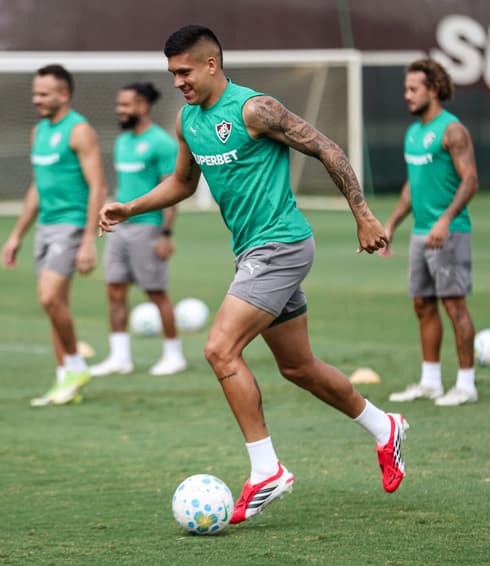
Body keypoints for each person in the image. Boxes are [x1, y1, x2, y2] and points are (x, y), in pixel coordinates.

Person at [99, 25, 409, 524]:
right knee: (298, 367)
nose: (178, 82)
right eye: (172, 73)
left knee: (219, 349)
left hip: (281, 245)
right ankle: (384, 426)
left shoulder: (254, 109)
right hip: (251, 252)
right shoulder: (187, 120)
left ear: (211, 64)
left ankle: (267, 471)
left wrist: (364, 214)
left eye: (184, 71)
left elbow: (327, 147)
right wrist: (130, 207)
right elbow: (182, 182)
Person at [0, 65, 107, 406]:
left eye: (44, 94)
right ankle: (65, 381)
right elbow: (37, 186)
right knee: (55, 304)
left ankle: (75, 365)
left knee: (49, 297)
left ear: (64, 94)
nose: (37, 99)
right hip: (44, 228)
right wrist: (16, 235)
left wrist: (88, 240)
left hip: (71, 225)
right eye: (35, 93)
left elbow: (98, 187)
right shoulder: (38, 132)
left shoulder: (79, 131)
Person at [382, 58, 479, 407]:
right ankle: (431, 382)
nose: (407, 95)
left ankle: (466, 385)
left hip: (449, 233)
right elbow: (413, 187)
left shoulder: (452, 130)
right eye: (406, 89)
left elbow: (470, 180)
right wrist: (392, 224)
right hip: (421, 234)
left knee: (454, 306)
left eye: (413, 89)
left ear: (434, 90)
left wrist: (445, 220)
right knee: (422, 305)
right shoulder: (413, 133)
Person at [90, 82, 187, 378]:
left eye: (126, 105)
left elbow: (171, 191)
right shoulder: (122, 141)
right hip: (119, 229)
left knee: (156, 292)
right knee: (114, 290)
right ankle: (120, 358)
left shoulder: (161, 143)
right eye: (118, 104)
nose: (119, 110)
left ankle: (174, 355)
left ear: (143, 106)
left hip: (148, 228)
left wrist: (166, 234)